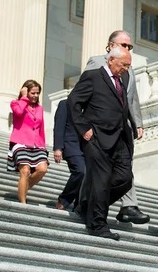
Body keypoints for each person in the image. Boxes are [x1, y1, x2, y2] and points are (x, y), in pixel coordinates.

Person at [67, 45, 136, 240]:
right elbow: (73, 101)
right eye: (124, 65)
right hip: (96, 137)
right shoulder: (93, 77)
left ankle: (87, 206)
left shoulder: (121, 81)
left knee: (125, 179)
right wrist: (83, 128)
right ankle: (97, 225)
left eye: (128, 66)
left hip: (119, 138)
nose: (126, 69)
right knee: (101, 180)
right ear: (111, 60)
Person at [83, 29, 149, 225]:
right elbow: (86, 92)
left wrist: (137, 122)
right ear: (111, 46)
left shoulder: (130, 68)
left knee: (124, 165)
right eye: (124, 45)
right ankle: (84, 201)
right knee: (98, 168)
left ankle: (129, 206)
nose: (128, 49)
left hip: (123, 127)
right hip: (100, 127)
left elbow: (132, 98)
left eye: (130, 46)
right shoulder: (96, 62)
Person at [8, 79, 49, 203]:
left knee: (42, 169)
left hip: (37, 144)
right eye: (33, 93)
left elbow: (41, 128)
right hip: (20, 141)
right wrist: (24, 97)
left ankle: (23, 187)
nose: (36, 96)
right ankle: (23, 204)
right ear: (26, 92)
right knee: (25, 171)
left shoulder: (40, 108)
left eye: (37, 93)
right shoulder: (16, 103)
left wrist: (43, 145)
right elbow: (19, 112)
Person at [51, 97, 84, 212]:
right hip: (70, 144)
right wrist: (58, 148)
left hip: (86, 148)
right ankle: (64, 199)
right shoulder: (65, 104)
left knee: (87, 176)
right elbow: (59, 126)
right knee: (80, 171)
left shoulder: (91, 107)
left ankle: (78, 205)